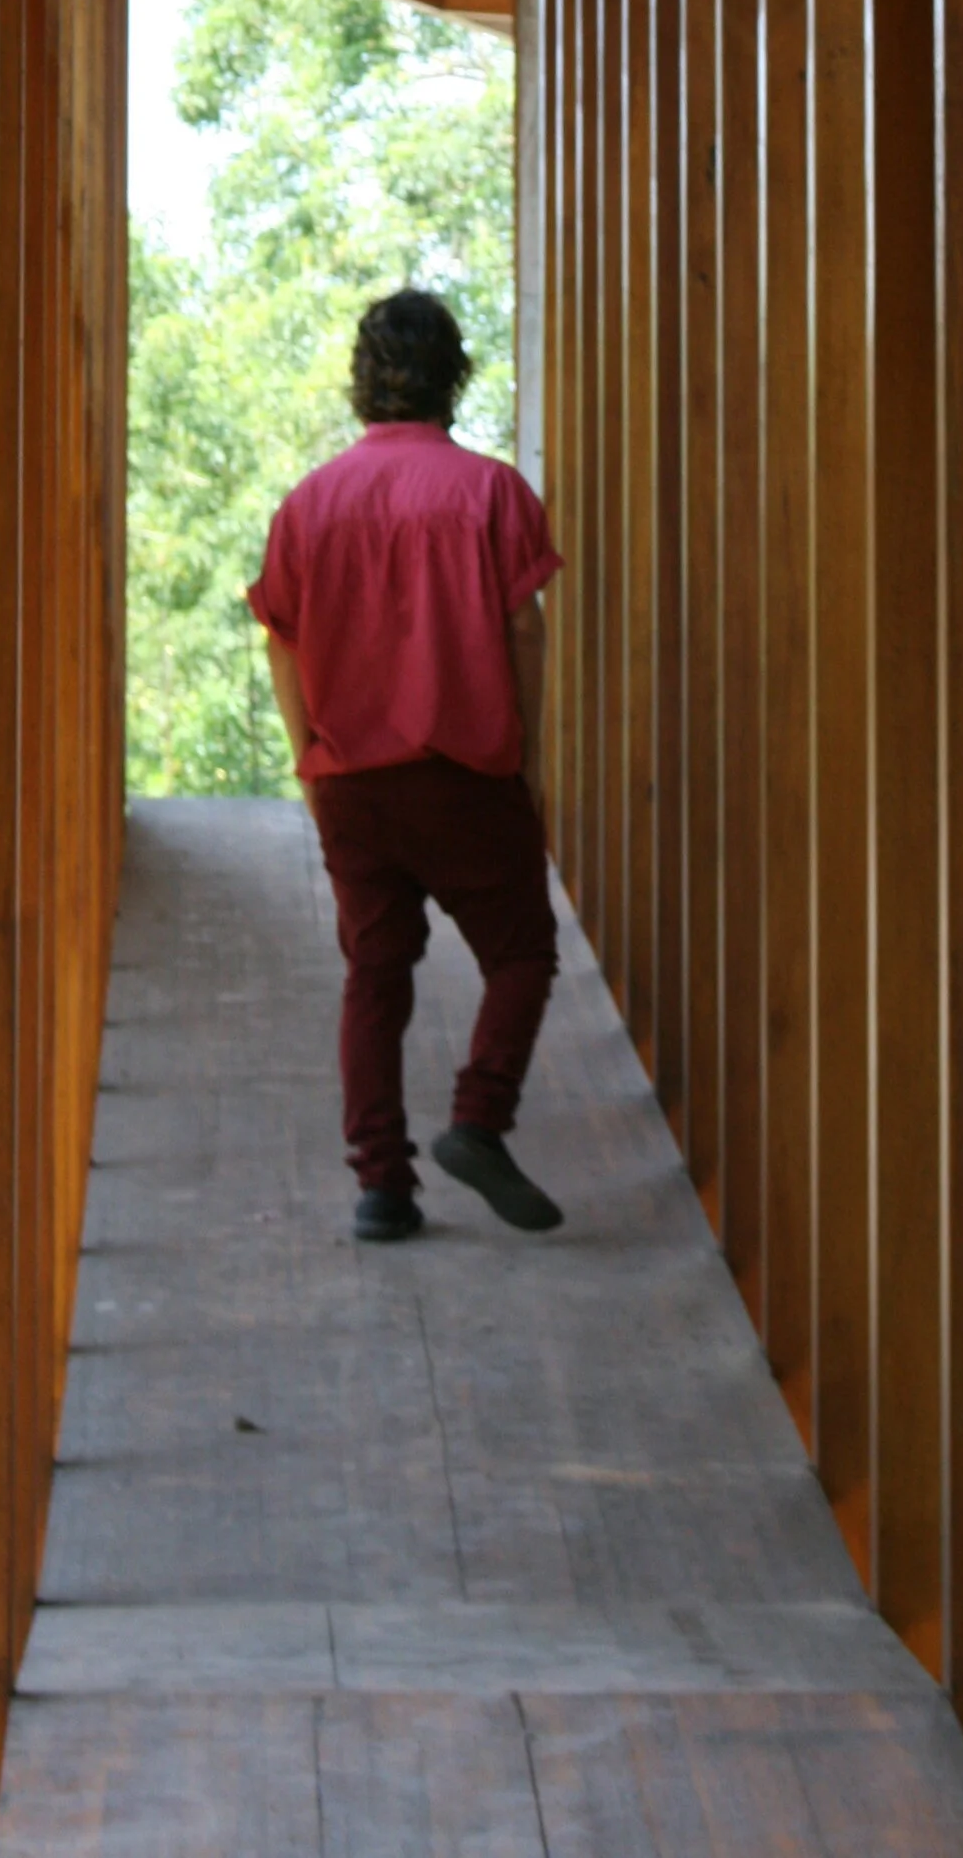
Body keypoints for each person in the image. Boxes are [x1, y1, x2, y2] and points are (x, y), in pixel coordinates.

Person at [249, 289, 568, 1243]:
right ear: (453, 376)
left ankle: (383, 1188)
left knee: (375, 976)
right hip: (467, 774)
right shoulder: (492, 493)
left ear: (363, 381)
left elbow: (281, 641)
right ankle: (477, 1119)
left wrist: (311, 764)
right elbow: (522, 626)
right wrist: (530, 753)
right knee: (520, 953)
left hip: (352, 782)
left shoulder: (309, 504)